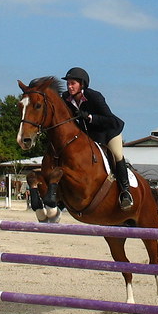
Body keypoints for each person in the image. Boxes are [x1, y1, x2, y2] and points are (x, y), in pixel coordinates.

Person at [61, 67, 134, 211]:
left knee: (117, 155)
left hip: (109, 133)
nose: (69, 86)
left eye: (73, 83)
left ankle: (125, 192)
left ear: (82, 84)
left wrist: (90, 117)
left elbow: (110, 119)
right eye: (68, 83)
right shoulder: (65, 98)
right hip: (88, 137)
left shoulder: (94, 96)